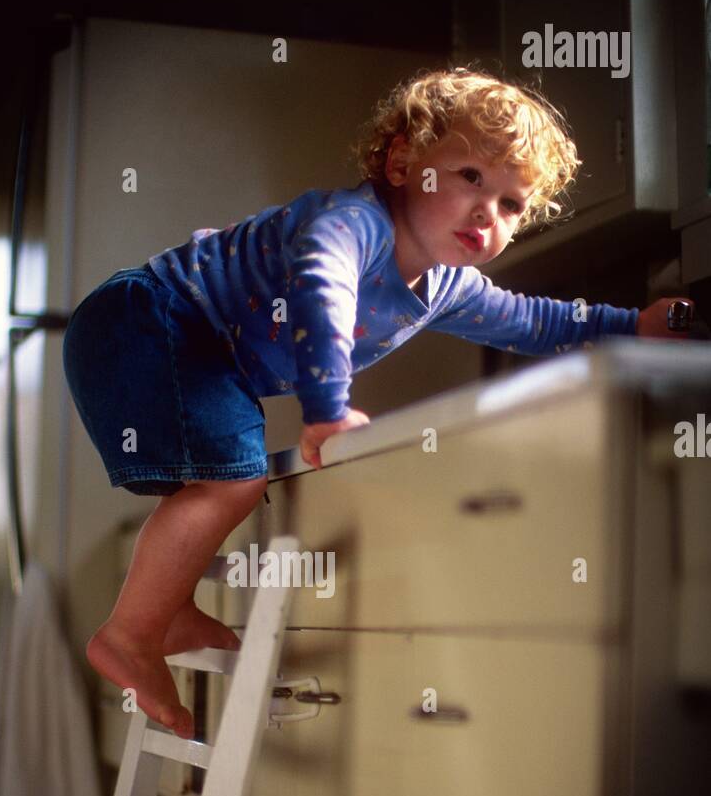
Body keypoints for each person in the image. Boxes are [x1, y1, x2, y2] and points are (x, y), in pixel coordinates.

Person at [62, 66, 692, 740]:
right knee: (233, 478)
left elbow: (539, 321)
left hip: (183, 344)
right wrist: (327, 406)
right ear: (402, 162)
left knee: (219, 477)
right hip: (149, 320)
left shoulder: (446, 285)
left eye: (512, 204)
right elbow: (319, 289)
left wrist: (634, 326)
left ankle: (165, 608)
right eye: (470, 179)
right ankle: (129, 633)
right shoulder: (351, 224)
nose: (488, 212)